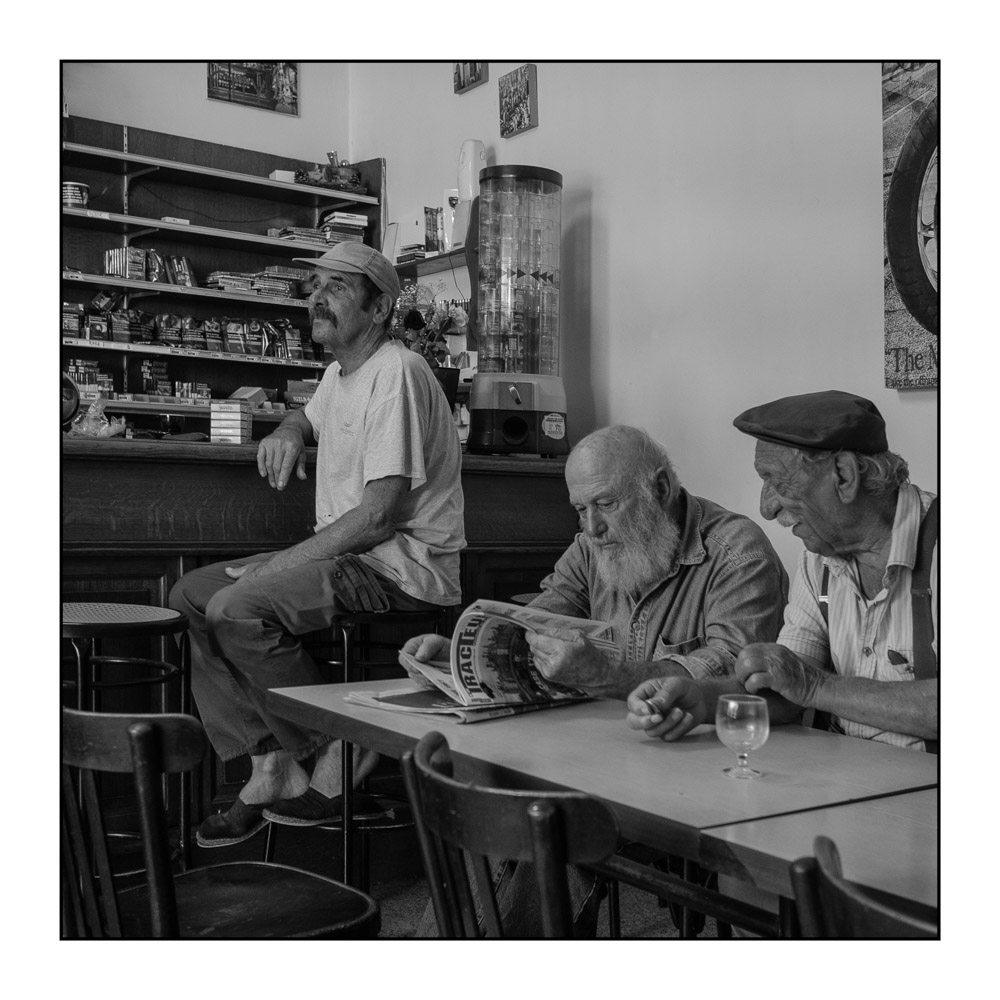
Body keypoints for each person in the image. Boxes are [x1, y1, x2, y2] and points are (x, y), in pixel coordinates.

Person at [405, 424, 788, 935]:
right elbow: (540, 618)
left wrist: (608, 676)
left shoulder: (737, 552)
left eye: (605, 504)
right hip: (605, 753)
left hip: (702, 767)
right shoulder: (590, 545)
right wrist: (457, 650)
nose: (591, 527)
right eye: (579, 510)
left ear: (659, 488)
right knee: (502, 798)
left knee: (557, 824)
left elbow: (734, 671)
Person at [169, 243, 465, 848]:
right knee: (190, 594)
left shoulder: (398, 372)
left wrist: (278, 565)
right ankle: (272, 763)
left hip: (398, 568)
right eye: (317, 286)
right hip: (349, 556)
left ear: (379, 309)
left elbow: (378, 518)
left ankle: (341, 744)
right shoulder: (340, 373)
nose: (317, 299)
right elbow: (311, 418)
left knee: (237, 607)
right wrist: (286, 428)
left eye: (337, 287)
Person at [627, 389, 937, 752]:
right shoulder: (819, 559)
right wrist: (700, 700)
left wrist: (816, 686)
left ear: (844, 475)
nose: (767, 507)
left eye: (776, 481)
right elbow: (787, 690)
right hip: (841, 773)